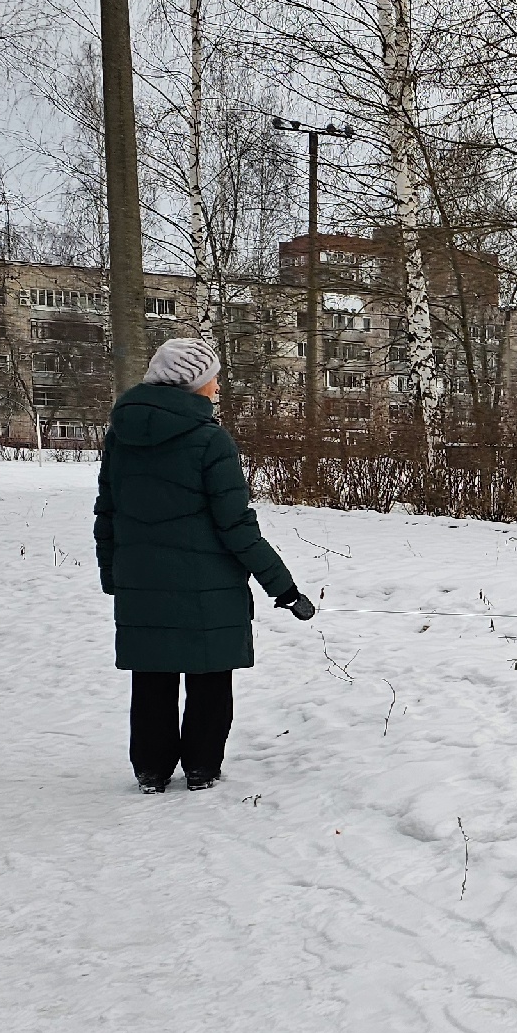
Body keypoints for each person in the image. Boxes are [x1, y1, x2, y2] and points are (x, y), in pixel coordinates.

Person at [95, 338, 315, 792]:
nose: (218, 386)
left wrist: (112, 575)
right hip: (206, 586)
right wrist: (284, 589)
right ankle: (201, 767)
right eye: (213, 377)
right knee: (210, 677)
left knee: (152, 676)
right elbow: (236, 524)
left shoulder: (121, 435)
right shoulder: (209, 439)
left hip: (142, 583)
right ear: (194, 383)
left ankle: (151, 770)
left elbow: (107, 512)